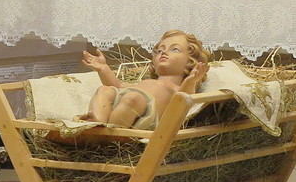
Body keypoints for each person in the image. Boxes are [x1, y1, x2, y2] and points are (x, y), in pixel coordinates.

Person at [80, 31, 211, 130]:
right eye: (160, 50)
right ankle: (96, 124)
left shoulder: (175, 88)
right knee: (104, 90)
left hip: (143, 116)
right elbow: (117, 85)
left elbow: (183, 100)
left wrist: (191, 80)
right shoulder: (145, 82)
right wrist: (103, 68)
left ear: (190, 62)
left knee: (133, 98)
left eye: (175, 49)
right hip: (122, 106)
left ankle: (111, 135)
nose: (163, 53)